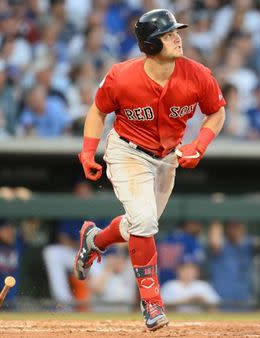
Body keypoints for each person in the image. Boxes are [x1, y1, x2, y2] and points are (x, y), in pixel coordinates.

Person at [74, 9, 225, 331]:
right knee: (144, 223)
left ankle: (94, 239)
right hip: (128, 152)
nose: (177, 37)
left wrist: (200, 143)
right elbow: (97, 113)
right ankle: (152, 303)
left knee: (140, 225)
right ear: (151, 44)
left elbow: (217, 113)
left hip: (167, 157)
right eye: (168, 34)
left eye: (176, 32)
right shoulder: (122, 75)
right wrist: (88, 151)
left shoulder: (197, 74)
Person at [208, 220, 256, 310]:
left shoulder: (248, 245)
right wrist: (216, 212)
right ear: (226, 229)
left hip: (244, 300)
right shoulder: (222, 246)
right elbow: (214, 241)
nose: (235, 230)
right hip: (223, 301)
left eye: (238, 227)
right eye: (232, 227)